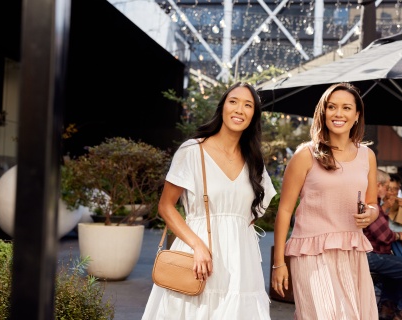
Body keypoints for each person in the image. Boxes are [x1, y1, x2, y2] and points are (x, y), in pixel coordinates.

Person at [141, 82, 277, 319]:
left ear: (254, 115)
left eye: (248, 105)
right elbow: (165, 206)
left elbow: (250, 217)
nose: (239, 109)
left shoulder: (254, 161)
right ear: (222, 107)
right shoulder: (192, 151)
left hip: (241, 261)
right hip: (199, 255)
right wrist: (197, 245)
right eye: (233, 102)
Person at [271, 82, 379, 319]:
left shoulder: (367, 156)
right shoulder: (305, 155)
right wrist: (279, 263)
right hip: (311, 252)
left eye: (346, 108)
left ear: (357, 114)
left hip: (352, 250)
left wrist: (370, 213)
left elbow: (372, 202)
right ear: (323, 112)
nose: (338, 113)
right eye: (332, 107)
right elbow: (285, 211)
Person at [364, 169, 402, 320]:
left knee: (398, 269)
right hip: (372, 256)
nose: (389, 191)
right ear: (378, 186)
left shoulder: (375, 205)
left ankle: (387, 308)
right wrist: (399, 235)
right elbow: (385, 236)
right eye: (387, 187)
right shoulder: (374, 207)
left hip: (376, 254)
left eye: (395, 188)